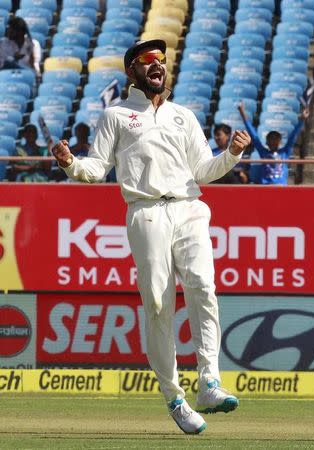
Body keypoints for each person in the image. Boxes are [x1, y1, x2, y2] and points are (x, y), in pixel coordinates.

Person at [52, 39, 251, 435]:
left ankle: (209, 381)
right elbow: (96, 168)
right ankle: (174, 397)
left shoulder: (183, 116)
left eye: (161, 59)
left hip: (190, 207)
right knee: (158, 301)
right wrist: (71, 163)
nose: (157, 65)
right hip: (145, 212)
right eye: (147, 61)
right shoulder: (117, 115)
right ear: (132, 71)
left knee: (204, 288)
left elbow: (203, 169)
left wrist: (230, 155)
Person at [238, 102, 309, 185]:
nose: (273, 142)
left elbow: (293, 136)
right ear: (267, 142)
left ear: (279, 141)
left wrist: (302, 120)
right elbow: (253, 135)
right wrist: (242, 113)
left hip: (280, 188)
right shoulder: (263, 153)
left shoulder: (284, 152)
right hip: (266, 188)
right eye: (271, 139)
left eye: (275, 139)